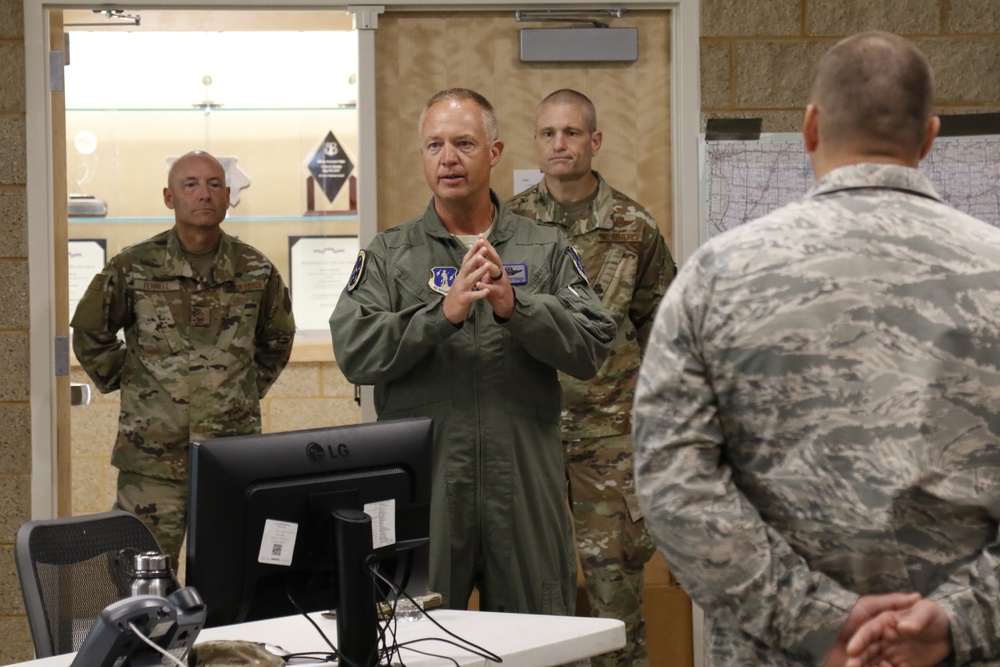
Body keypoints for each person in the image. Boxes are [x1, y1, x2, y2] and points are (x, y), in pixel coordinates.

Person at [633, 31, 1000, 667]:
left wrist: (817, 622)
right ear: (929, 137)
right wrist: (956, 623)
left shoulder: (717, 275)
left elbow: (672, 480)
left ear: (809, 127)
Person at [330, 88, 616, 615]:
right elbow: (354, 351)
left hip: (525, 488)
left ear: (495, 152)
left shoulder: (545, 247)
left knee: (539, 640)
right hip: (429, 492)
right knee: (417, 641)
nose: (448, 158)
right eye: (434, 145)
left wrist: (517, 308)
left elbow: (594, 344)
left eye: (464, 142)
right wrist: (441, 317)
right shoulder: (391, 254)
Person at [507, 89, 675, 666]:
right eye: (549, 133)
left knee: (615, 593)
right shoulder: (511, 223)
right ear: (537, 143)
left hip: (608, 439)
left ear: (594, 141)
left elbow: (662, 324)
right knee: (534, 593)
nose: (560, 144)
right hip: (529, 432)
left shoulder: (633, 225)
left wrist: (648, 419)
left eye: (572, 133)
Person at [72, 150, 295, 566]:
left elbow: (278, 337)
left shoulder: (255, 269)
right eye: (190, 185)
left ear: (228, 196)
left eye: (214, 185)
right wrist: (135, 381)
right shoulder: (133, 266)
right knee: (140, 582)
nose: (204, 195)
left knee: (232, 577)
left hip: (231, 459)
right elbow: (89, 331)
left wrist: (244, 388)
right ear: (168, 197)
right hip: (151, 461)